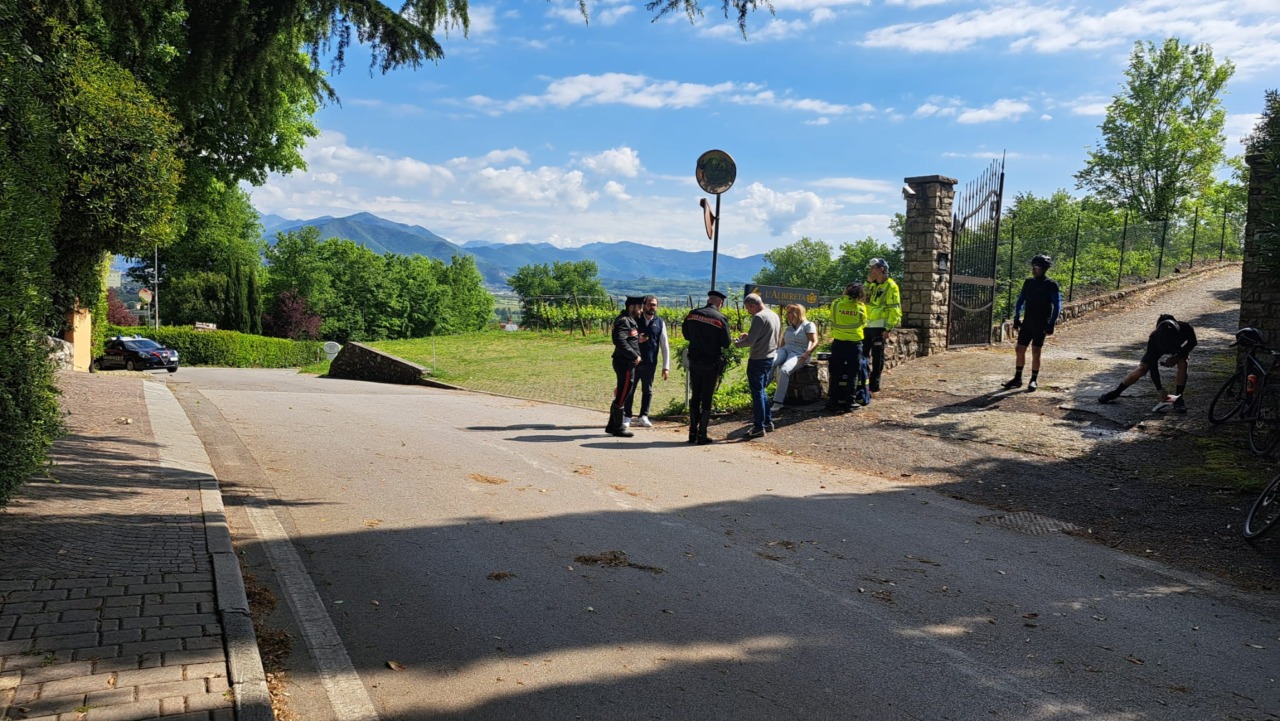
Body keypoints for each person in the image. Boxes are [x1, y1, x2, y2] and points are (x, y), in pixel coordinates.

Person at [1098, 314, 1197, 413]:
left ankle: (1178, 398)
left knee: (1183, 362)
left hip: (1176, 349)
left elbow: (1192, 342)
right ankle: (1116, 392)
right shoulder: (1153, 339)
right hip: (1157, 349)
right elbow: (1152, 365)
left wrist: (1176, 357)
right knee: (1142, 368)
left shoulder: (1186, 328)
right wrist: (1159, 389)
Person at [1003, 254, 1062, 392]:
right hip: (1028, 321)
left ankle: (1033, 380)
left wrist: (1052, 323)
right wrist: (1017, 317)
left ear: (1044, 268)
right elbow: (1020, 301)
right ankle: (1017, 379)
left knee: (1036, 351)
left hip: (1041, 323)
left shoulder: (1051, 285)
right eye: (1033, 267)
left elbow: (1057, 305)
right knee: (1019, 349)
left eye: (1037, 267)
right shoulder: (1028, 282)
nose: (1034, 269)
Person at [682, 290, 733, 445]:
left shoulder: (692, 314)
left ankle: (692, 432)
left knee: (695, 395)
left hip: (695, 362)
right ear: (720, 303)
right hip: (711, 363)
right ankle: (702, 434)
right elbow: (726, 342)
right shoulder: (720, 318)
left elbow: (686, 335)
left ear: (708, 300)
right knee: (707, 397)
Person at [735, 293, 781, 439]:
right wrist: (748, 335)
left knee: (757, 393)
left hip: (758, 358)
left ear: (753, 305)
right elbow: (764, 335)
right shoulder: (773, 315)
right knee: (762, 391)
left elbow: (751, 341)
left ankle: (758, 426)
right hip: (770, 357)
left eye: (748, 308)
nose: (748, 311)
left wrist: (737, 344)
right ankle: (767, 421)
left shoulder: (759, 317)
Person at [624, 295, 670, 429]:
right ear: (644, 305)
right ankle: (627, 416)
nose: (652, 307)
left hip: (650, 362)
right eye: (649, 304)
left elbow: (664, 345)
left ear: (657, 306)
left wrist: (666, 367)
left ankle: (643, 416)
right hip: (634, 361)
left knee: (647, 390)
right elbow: (625, 338)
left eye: (654, 304)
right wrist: (637, 339)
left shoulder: (660, 322)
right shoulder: (635, 320)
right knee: (630, 389)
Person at [605, 296, 645, 437]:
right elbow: (619, 341)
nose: (641, 310)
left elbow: (627, 338)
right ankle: (618, 428)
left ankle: (611, 426)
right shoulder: (624, 320)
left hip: (625, 361)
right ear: (632, 307)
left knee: (623, 392)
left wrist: (637, 339)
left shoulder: (629, 320)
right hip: (625, 362)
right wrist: (634, 356)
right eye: (639, 307)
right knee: (623, 393)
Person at [827, 282, 867, 413]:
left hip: (838, 342)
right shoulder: (861, 307)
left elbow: (831, 318)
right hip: (854, 343)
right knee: (853, 373)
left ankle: (832, 402)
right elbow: (864, 322)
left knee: (835, 372)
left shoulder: (836, 304)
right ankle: (850, 402)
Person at [770, 304, 818, 412]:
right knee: (770, 361)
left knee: (784, 370)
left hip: (799, 353)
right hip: (785, 350)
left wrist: (806, 354)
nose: (788, 315)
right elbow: (782, 346)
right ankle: (762, 389)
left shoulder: (808, 325)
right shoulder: (788, 328)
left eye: (790, 313)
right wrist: (777, 354)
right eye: (787, 313)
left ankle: (778, 402)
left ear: (798, 314)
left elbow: (815, 342)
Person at [865, 258, 901, 393]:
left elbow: (894, 309)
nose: (871, 270)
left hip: (879, 326)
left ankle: (875, 384)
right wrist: (867, 283)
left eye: (873, 268)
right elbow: (862, 297)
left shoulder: (891, 286)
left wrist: (888, 328)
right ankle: (864, 380)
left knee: (877, 356)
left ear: (881, 269)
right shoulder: (872, 284)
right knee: (862, 354)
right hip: (867, 325)